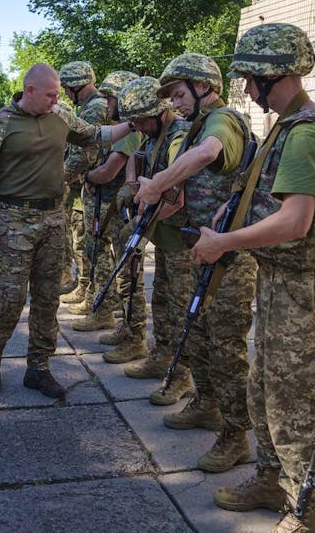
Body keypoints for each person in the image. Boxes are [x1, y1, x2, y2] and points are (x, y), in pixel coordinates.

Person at [191, 23, 315, 533]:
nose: (245, 89)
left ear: (273, 76)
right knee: (266, 388)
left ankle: (305, 509)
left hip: (300, 287)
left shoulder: (307, 132)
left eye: (251, 79)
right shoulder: (290, 126)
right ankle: (271, 479)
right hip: (278, 278)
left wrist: (222, 243)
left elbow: (295, 221)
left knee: (294, 401)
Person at [0, 63, 134, 398]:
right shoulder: (1, 123)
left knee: (47, 299)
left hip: (54, 219)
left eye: (59, 94)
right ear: (29, 91)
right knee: (10, 298)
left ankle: (38, 367)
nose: (56, 100)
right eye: (51, 95)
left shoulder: (60, 117)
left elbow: (97, 135)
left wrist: (134, 123)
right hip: (14, 220)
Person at [133, 53, 257, 472]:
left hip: (229, 258)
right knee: (198, 336)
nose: (175, 103)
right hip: (201, 250)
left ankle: (236, 433)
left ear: (205, 87)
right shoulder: (194, 125)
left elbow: (208, 154)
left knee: (226, 348)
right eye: (171, 96)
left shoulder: (224, 120)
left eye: (180, 93)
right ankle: (207, 403)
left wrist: (158, 186)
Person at [112, 76, 195, 406]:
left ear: (160, 111)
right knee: (162, 299)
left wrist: (140, 225)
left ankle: (182, 375)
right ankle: (161, 357)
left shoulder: (179, 136)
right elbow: (137, 156)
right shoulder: (153, 133)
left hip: (183, 238)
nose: (137, 127)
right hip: (166, 235)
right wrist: (133, 182)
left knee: (181, 310)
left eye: (140, 120)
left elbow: (177, 195)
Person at [82, 70, 147, 363]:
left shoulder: (130, 132)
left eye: (110, 98)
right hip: (120, 211)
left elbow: (109, 170)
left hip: (126, 215)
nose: (106, 104)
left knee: (129, 276)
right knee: (124, 272)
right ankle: (128, 329)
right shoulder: (126, 129)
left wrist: (87, 175)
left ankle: (135, 337)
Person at [58, 60, 102, 313]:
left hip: (95, 186)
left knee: (89, 242)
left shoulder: (94, 108)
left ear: (77, 85)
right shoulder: (89, 106)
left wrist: (59, 178)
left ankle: (92, 292)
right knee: (83, 241)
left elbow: (87, 151)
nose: (65, 93)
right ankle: (86, 288)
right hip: (86, 184)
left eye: (66, 88)